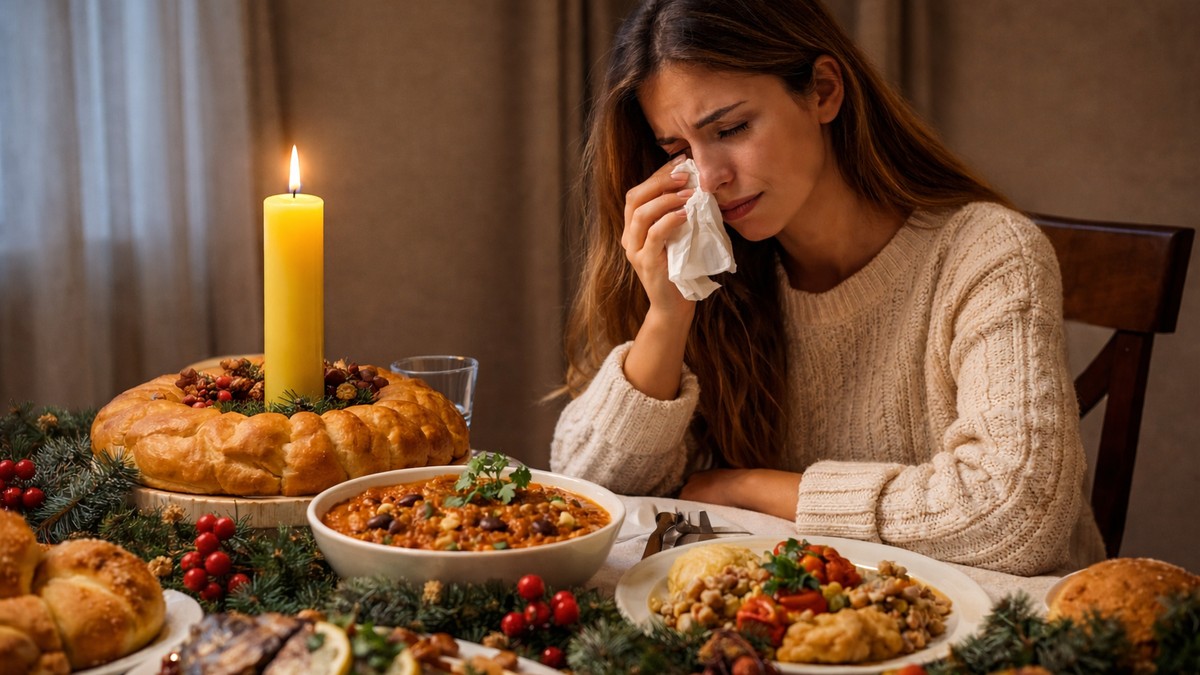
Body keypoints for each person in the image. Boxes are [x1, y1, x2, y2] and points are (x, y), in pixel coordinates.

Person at [549, 0, 1106, 576]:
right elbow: (586, 496)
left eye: (732, 128)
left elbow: (1017, 516)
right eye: (679, 152)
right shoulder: (723, 277)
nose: (709, 177)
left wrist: (751, 487)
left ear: (823, 90)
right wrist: (667, 315)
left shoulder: (986, 251)